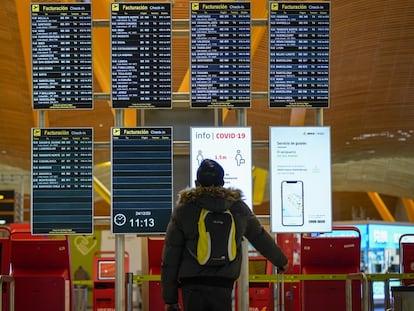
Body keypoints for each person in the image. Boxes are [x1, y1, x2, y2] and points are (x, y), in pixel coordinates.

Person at [161, 159, 288, 311]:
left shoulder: (184, 209)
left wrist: (170, 299)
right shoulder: (237, 207)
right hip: (223, 284)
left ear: (196, 183)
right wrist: (281, 261)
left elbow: (171, 255)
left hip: (192, 285)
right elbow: (259, 236)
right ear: (222, 182)